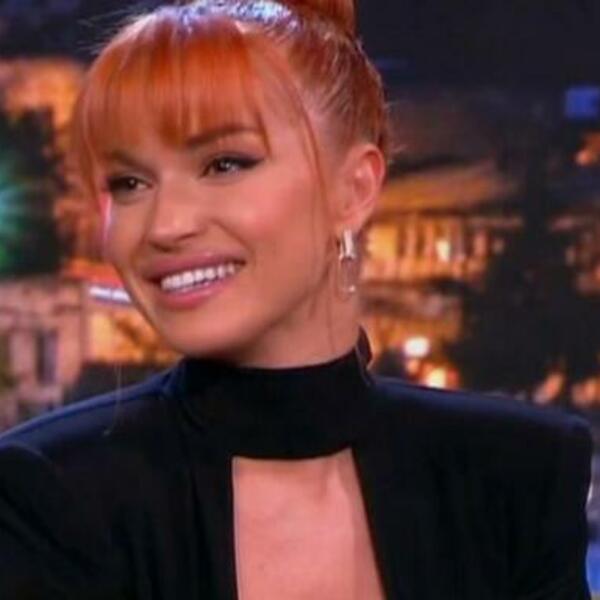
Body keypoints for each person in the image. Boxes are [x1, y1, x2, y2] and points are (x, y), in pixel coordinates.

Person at [0, 0, 592, 598]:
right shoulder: (49, 497)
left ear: (353, 189)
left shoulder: (520, 476)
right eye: (129, 183)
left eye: (224, 164)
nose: (165, 225)